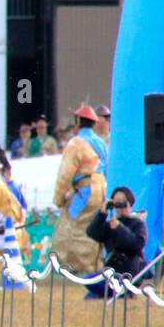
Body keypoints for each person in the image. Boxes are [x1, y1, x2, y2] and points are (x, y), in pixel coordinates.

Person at [49, 105, 107, 273]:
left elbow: (65, 174)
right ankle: (95, 265)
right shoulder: (100, 143)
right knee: (95, 227)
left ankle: (75, 267)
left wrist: (58, 198)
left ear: (77, 123)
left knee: (72, 227)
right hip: (101, 189)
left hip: (84, 191)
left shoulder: (75, 143)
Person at [84, 186, 147, 298]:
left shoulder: (137, 223)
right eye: (116, 202)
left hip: (129, 273)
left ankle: (123, 292)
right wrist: (102, 213)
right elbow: (92, 233)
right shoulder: (110, 225)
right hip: (111, 271)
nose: (120, 206)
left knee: (91, 284)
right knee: (89, 290)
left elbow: (137, 244)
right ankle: (117, 294)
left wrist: (120, 228)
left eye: (123, 202)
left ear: (129, 203)